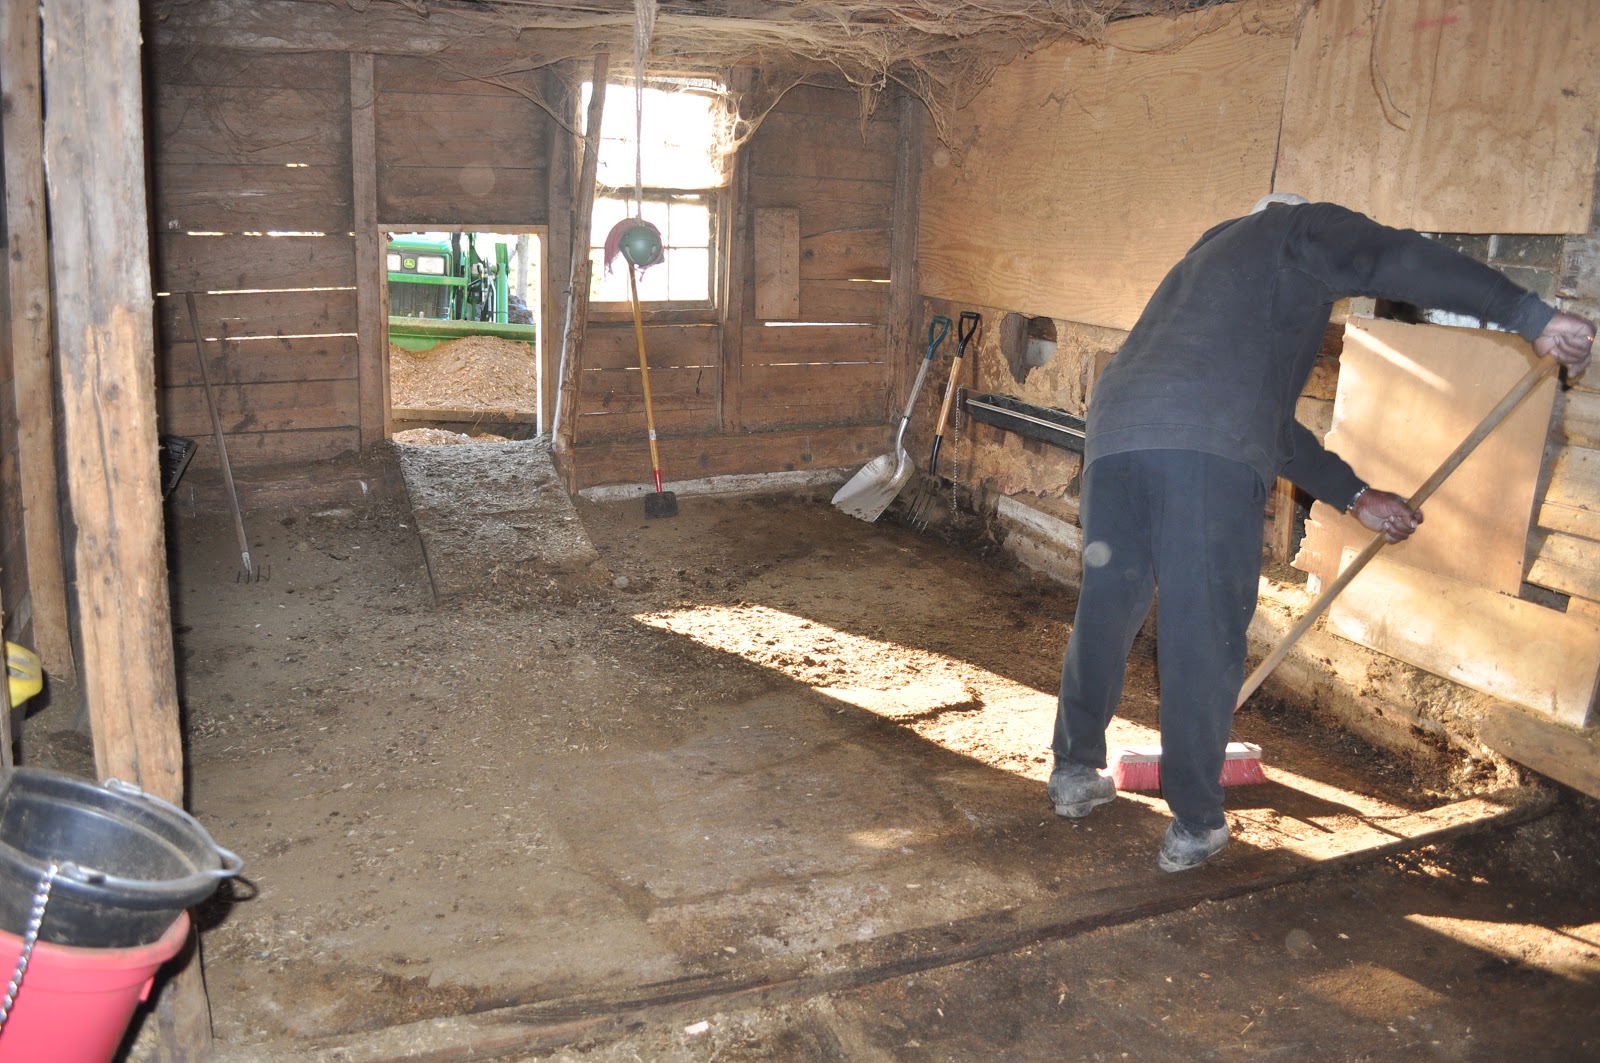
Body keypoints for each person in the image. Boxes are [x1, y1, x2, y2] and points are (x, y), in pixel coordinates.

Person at [1048, 193, 1595, 873]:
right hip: (1201, 457)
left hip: (1116, 436)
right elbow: (1394, 256)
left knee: (1108, 605)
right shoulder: (1297, 228)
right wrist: (1528, 314)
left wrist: (1356, 496)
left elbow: (1262, 422)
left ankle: (1073, 771)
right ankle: (1194, 819)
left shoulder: (1204, 266)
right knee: (1202, 626)